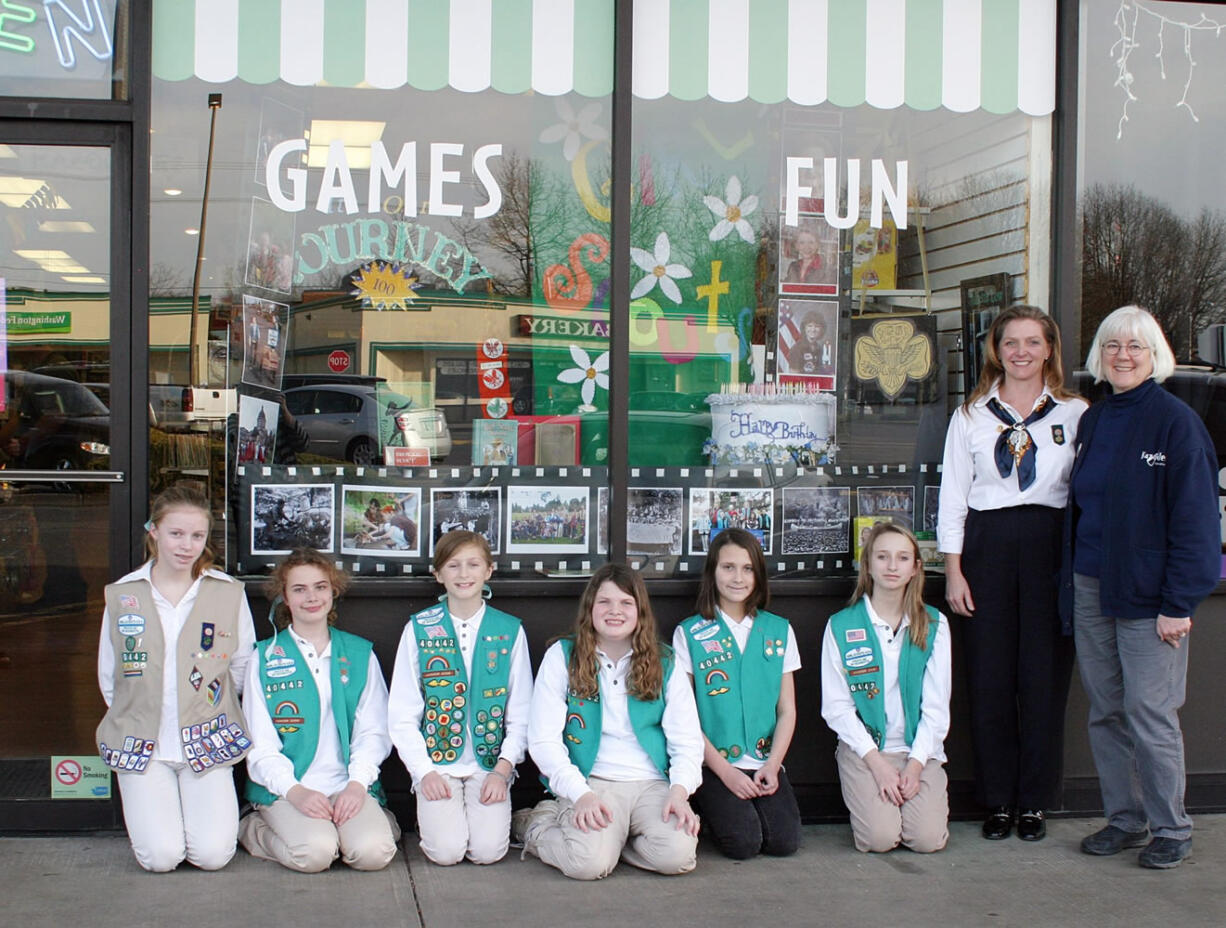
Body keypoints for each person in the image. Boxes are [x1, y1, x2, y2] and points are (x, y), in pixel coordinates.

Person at [1062, 305, 1219, 870]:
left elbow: (1197, 522)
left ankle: (1171, 828)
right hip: (1092, 587)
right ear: (1099, 357)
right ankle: (1125, 820)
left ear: (1155, 356)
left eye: (1135, 347)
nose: (1123, 356)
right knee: (1106, 711)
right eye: (1112, 346)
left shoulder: (1176, 423)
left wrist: (1179, 603)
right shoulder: (1097, 420)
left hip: (1151, 598)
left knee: (1151, 714)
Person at [937, 304, 1088, 841]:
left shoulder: (1075, 414)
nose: (1021, 352)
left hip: (1050, 547)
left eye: (1031, 342)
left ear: (1050, 348)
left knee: (1043, 679)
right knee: (990, 677)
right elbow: (953, 497)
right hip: (988, 547)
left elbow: (1087, 495)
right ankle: (997, 800)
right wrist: (954, 571)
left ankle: (1035, 802)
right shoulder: (972, 416)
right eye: (1010, 343)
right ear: (995, 351)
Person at [96, 482, 256, 871]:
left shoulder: (227, 591)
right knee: (161, 857)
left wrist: (205, 706)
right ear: (154, 531)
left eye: (197, 535)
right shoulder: (124, 593)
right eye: (176, 534)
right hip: (143, 741)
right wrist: (141, 711)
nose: (187, 545)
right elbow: (109, 673)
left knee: (214, 855)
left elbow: (240, 666)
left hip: (207, 736)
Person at [515, 563, 703, 880]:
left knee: (677, 856)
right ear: (590, 608)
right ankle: (536, 825)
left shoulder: (665, 661)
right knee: (587, 865)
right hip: (592, 782)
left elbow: (687, 739)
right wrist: (580, 793)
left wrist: (680, 791)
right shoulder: (563, 656)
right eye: (604, 602)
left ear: (640, 611)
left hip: (652, 784)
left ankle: (611, 845)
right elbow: (543, 740)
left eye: (626, 603)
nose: (614, 611)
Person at [238, 548, 399, 872]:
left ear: (333, 591)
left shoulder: (358, 652)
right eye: (299, 589)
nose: (311, 597)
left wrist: (356, 785)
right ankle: (252, 829)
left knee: (372, 854)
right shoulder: (265, 658)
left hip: (346, 785)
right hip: (288, 789)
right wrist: (294, 791)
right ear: (284, 597)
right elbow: (260, 743)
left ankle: (373, 823)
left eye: (320, 586)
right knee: (314, 854)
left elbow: (375, 731)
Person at [388, 530, 532, 865]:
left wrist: (503, 768)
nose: (464, 574)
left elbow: (522, 711)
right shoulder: (419, 628)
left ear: (489, 571)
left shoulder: (509, 629)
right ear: (438, 574)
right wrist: (423, 771)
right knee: (446, 852)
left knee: (488, 852)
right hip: (438, 764)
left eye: (473, 564)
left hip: (489, 764)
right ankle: (437, 816)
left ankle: (518, 818)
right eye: (453, 566)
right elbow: (402, 712)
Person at [821, 521, 952, 853]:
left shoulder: (934, 624)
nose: (892, 566)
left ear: (915, 567)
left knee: (925, 840)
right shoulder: (841, 624)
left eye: (902, 558)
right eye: (882, 557)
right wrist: (876, 764)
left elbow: (936, 708)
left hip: (917, 750)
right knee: (879, 839)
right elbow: (836, 708)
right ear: (868, 565)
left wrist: (917, 763)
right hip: (867, 751)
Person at [672, 528, 801, 859]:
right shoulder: (690, 633)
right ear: (712, 571)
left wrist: (773, 765)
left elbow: (787, 709)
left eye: (747, 568)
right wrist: (726, 773)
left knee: (783, 843)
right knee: (742, 844)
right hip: (715, 763)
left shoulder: (778, 630)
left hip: (763, 760)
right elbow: (684, 719)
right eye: (728, 567)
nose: (738, 578)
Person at [786, 311, 834, 376]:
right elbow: (794, 376)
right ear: (804, 328)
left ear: (822, 329)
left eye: (817, 326)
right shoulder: (797, 349)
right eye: (809, 326)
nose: (813, 329)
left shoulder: (820, 349)